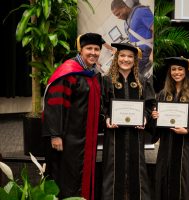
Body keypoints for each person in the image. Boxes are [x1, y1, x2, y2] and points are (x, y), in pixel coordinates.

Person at [42, 33, 105, 200]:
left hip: (87, 138)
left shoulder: (93, 73)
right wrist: (55, 135)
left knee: (82, 175)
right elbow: (55, 105)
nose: (93, 52)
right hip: (68, 138)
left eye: (97, 49)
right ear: (81, 50)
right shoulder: (68, 73)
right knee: (67, 177)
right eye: (89, 48)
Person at [151, 56, 189, 200]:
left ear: (187, 72)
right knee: (165, 180)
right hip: (166, 147)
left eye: (180, 69)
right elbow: (156, 128)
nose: (176, 72)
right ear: (169, 72)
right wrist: (155, 117)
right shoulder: (163, 94)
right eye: (173, 69)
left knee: (185, 184)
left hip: (187, 149)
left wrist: (188, 131)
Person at [101, 42, 155, 200]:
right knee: (112, 171)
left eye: (130, 56)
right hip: (113, 137)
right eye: (122, 56)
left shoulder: (143, 81)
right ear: (117, 57)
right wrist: (107, 119)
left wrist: (145, 117)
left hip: (135, 136)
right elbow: (100, 105)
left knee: (137, 172)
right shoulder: (106, 80)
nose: (126, 59)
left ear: (135, 60)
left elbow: (151, 105)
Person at [111, 0, 154, 79]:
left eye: (118, 14)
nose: (118, 17)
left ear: (125, 7)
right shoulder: (126, 23)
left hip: (147, 52)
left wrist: (153, 51)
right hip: (139, 54)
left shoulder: (140, 12)